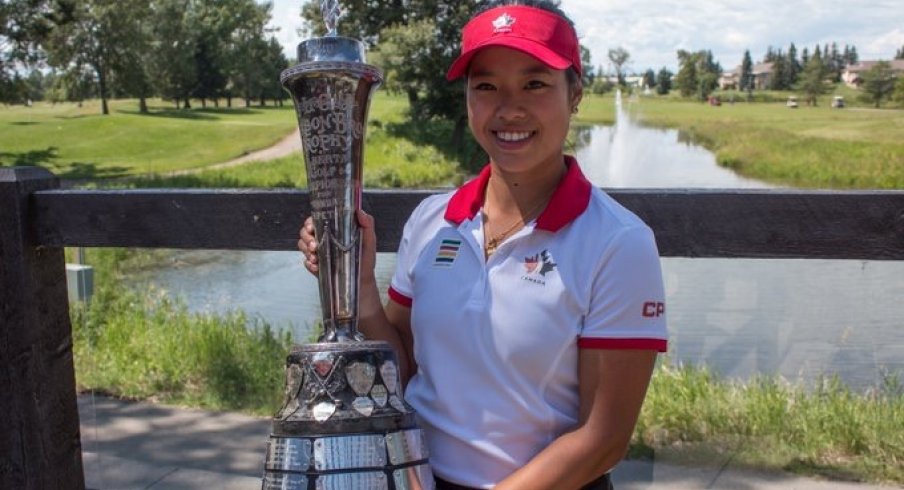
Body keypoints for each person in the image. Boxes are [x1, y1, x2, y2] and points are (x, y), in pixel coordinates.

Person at [299, 1, 668, 488]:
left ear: (575, 92)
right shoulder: (432, 220)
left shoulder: (619, 243)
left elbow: (601, 440)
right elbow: (403, 370)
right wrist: (362, 286)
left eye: (535, 84)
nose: (508, 108)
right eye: (486, 85)